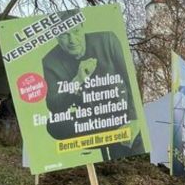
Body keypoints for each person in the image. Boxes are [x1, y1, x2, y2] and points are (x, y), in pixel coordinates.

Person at [41, 15, 145, 160]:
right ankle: (114, 137)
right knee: (53, 124)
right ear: (56, 38)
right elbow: (54, 105)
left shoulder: (107, 40)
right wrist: (77, 80)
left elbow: (130, 80)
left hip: (118, 112)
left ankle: (119, 140)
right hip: (90, 119)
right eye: (64, 35)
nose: (72, 40)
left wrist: (134, 119)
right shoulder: (50, 61)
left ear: (83, 28)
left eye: (76, 31)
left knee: (132, 152)